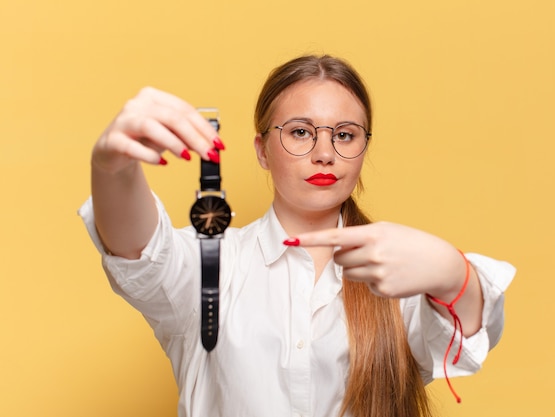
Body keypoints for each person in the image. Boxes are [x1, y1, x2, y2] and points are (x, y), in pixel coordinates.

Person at [79, 55, 515, 417]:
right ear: (261, 150)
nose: (324, 153)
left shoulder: (398, 272)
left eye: (345, 135)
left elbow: (472, 334)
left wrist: (453, 273)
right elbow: (138, 252)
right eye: (301, 132)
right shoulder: (210, 266)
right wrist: (111, 168)